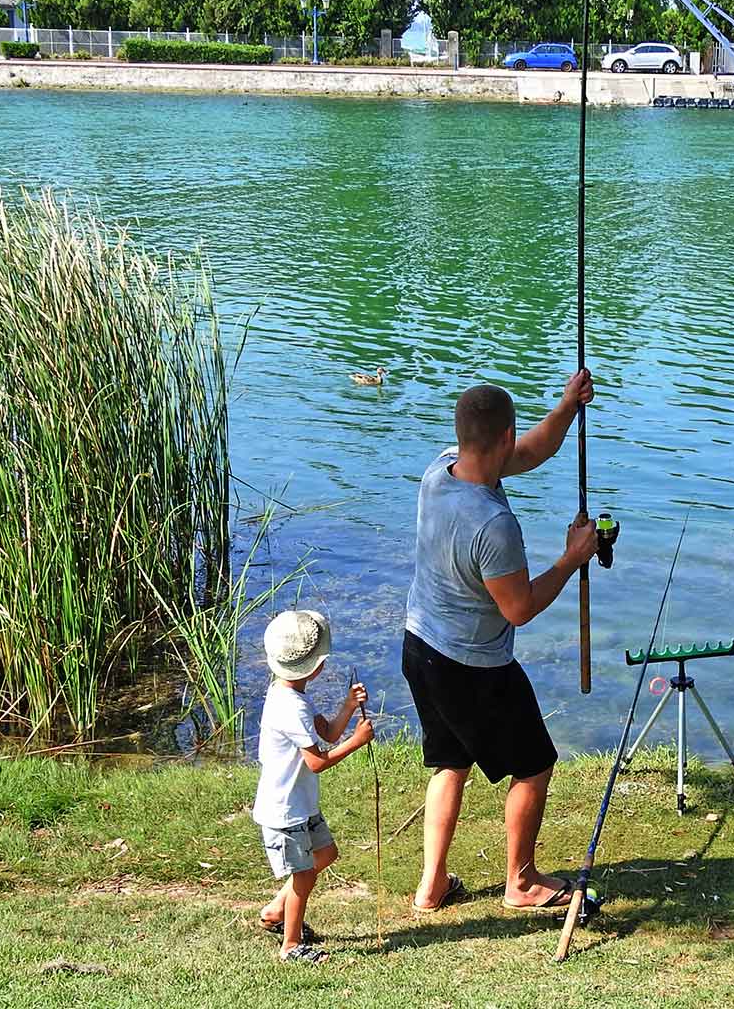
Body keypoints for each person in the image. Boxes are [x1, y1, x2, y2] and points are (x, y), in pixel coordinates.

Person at [402, 371, 598, 913]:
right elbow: (520, 608)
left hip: (419, 645)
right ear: (503, 435)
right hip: (472, 665)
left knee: (451, 761)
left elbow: (531, 451)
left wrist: (565, 409)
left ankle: (431, 884)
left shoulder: (442, 468)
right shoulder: (492, 524)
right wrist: (570, 559)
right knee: (534, 762)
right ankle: (521, 880)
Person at [252, 609, 374, 963]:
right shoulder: (292, 708)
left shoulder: (292, 694)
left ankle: (276, 910)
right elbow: (317, 762)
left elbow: (328, 733)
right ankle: (290, 945)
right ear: (316, 666)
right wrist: (356, 742)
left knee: (325, 854)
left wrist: (349, 707)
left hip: (300, 804)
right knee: (304, 875)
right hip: (285, 811)